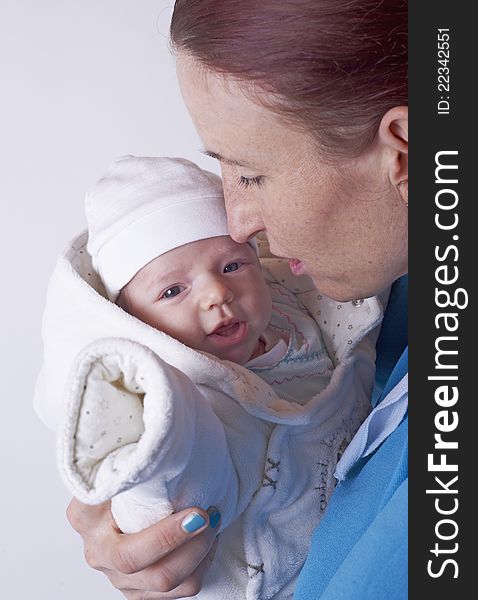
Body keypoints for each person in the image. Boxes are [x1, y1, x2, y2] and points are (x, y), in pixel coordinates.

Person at [65, 1, 408, 598]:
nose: (237, 220)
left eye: (249, 174)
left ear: (404, 148)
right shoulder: (389, 298)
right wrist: (145, 489)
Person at [37, 155, 380, 599]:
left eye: (233, 266)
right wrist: (158, 441)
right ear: (133, 320)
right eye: (172, 291)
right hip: (262, 568)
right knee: (179, 463)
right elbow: (199, 486)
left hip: (347, 521)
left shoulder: (301, 310)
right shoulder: (192, 390)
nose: (218, 293)